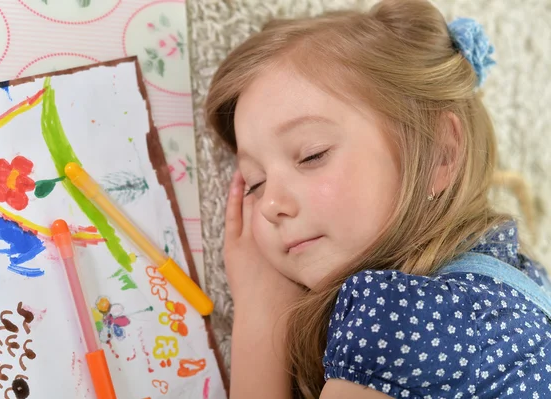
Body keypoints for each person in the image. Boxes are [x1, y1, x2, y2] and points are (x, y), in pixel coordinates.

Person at [204, 0, 551, 397]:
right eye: (255, 182)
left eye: (311, 154)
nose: (269, 206)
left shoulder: (397, 321)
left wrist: (261, 315)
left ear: (440, 153)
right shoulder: (524, 284)